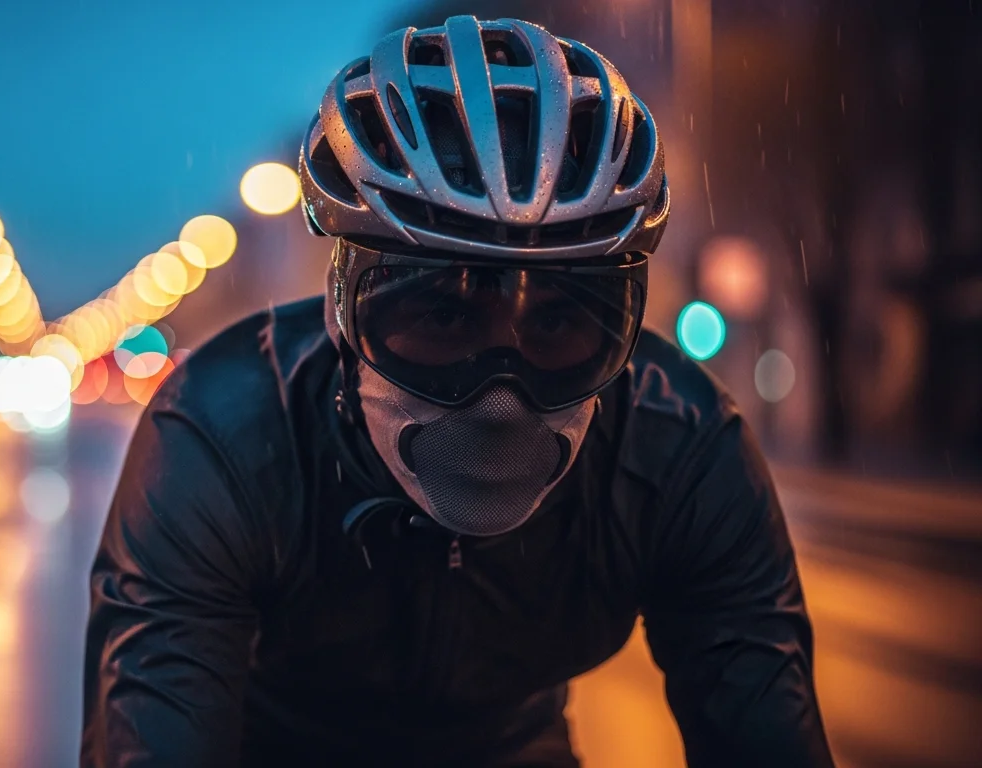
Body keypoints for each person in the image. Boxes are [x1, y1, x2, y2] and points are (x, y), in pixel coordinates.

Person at [83, 15, 834, 767]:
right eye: (442, 315)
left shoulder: (682, 452)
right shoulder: (221, 440)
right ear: (343, 311)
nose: (499, 400)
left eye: (559, 322)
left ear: (623, 332)